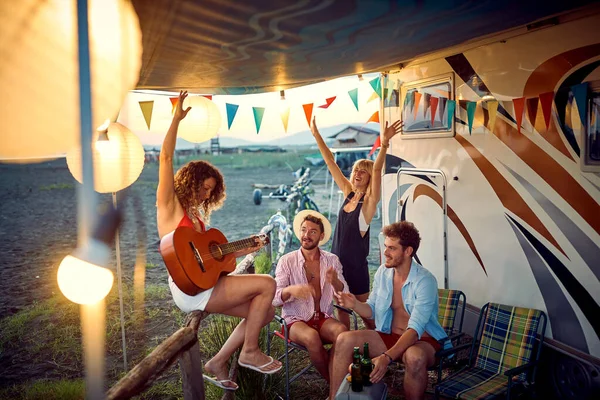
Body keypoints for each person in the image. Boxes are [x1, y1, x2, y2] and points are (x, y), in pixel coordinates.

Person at [157, 91, 282, 391]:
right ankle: (249, 353)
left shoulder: (198, 220)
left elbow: (213, 262)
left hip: (206, 284)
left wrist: (244, 250)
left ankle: (218, 361)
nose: (205, 196)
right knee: (267, 284)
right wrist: (175, 120)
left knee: (266, 312)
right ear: (191, 180)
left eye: (211, 192)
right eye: (204, 188)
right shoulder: (169, 206)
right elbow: (165, 157)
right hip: (189, 290)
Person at [329, 221, 450, 400]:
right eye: (385, 246)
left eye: (392, 248)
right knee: (344, 339)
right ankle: (334, 397)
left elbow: (415, 330)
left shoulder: (425, 281)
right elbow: (372, 310)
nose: (385, 252)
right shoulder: (383, 273)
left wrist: (386, 358)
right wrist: (354, 304)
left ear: (408, 251)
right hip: (390, 336)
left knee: (414, 357)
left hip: (423, 342)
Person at [311, 116, 403, 327]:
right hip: (337, 265)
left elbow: (378, 169)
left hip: (356, 269)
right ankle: (347, 347)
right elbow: (330, 162)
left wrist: (385, 143)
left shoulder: (369, 203)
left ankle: (380, 346)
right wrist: (316, 135)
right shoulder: (348, 193)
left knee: (367, 317)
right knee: (341, 313)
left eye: (363, 171)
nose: (357, 173)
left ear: (369, 177)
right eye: (356, 170)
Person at [273, 210, 350, 382]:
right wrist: (291, 291)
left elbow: (344, 293)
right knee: (312, 337)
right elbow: (275, 298)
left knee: (342, 333)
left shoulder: (332, 260)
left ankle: (337, 379)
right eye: (303, 230)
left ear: (321, 236)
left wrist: (335, 281)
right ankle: (336, 384)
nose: (306, 235)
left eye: (312, 231)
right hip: (294, 320)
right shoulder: (287, 261)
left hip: (322, 317)